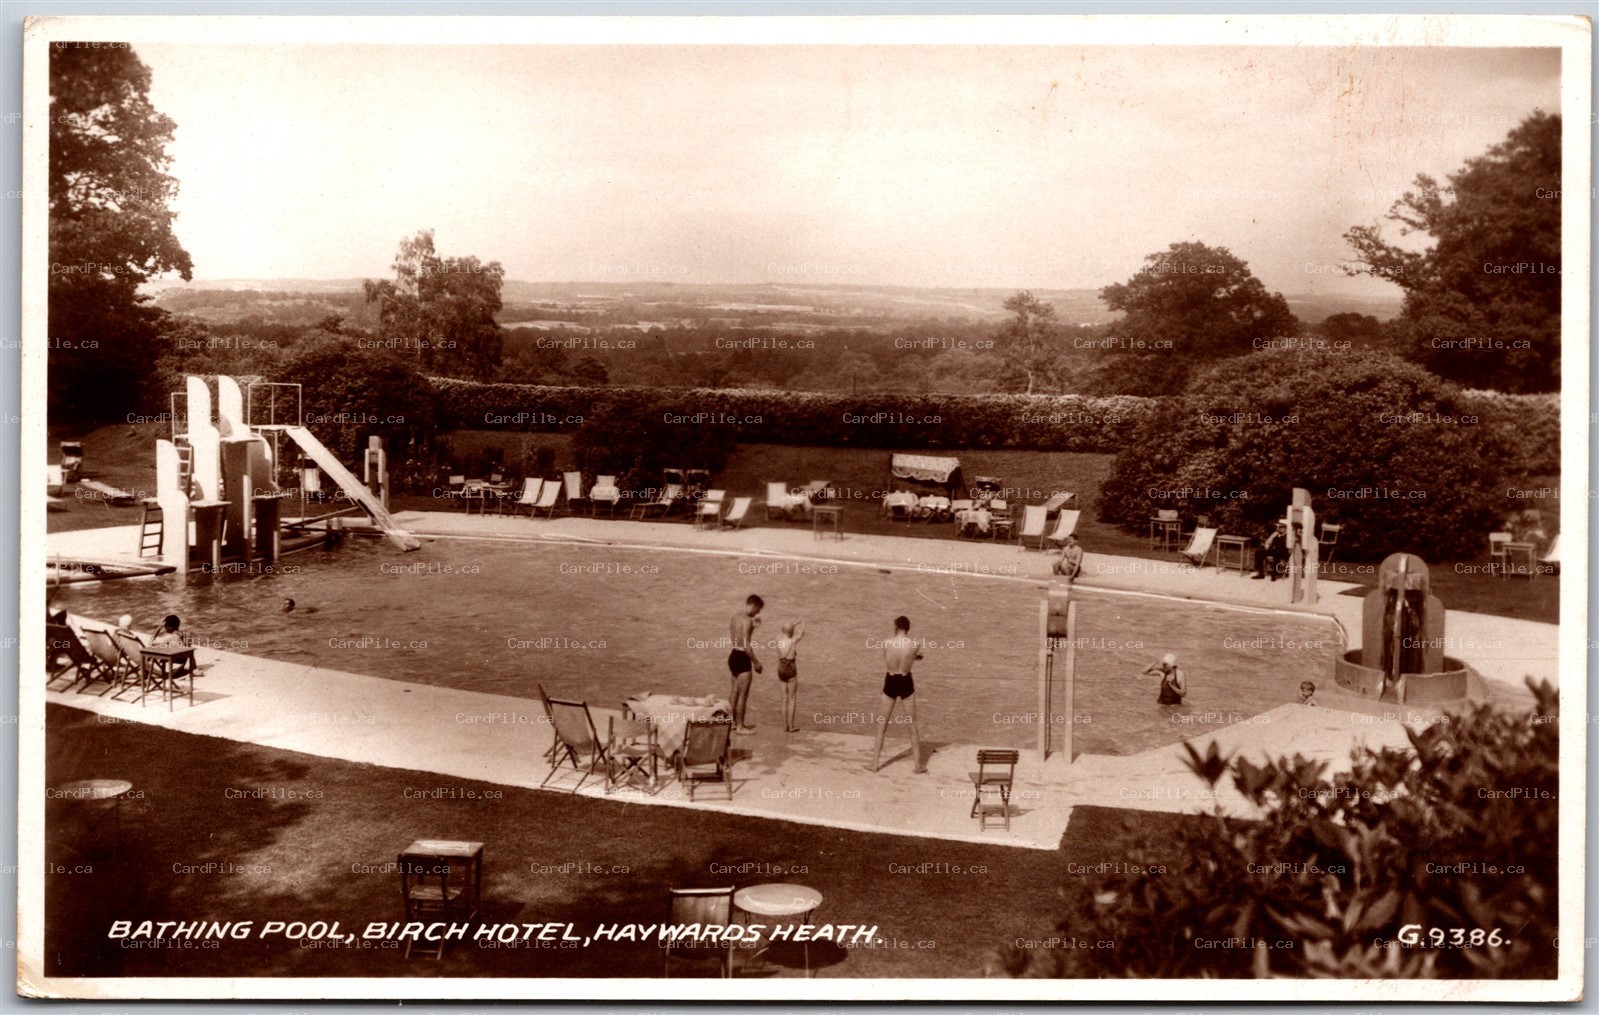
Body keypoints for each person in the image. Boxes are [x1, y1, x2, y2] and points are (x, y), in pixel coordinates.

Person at [869, 615, 926, 774]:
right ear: (908, 628)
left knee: (882, 726)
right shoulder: (915, 644)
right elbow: (911, 656)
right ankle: (917, 765)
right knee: (912, 725)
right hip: (906, 680)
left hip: (891, 680)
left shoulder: (887, 643)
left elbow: (888, 659)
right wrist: (916, 657)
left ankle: (874, 764)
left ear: (896, 627)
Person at [728, 594, 764, 734]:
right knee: (743, 695)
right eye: (758, 609)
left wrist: (753, 627)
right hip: (743, 656)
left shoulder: (735, 617)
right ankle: (741, 727)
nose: (758, 613)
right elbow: (747, 645)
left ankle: (730, 723)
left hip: (733, 655)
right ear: (754, 605)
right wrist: (756, 662)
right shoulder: (748, 621)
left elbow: (737, 637)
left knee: (734, 692)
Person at [775, 618, 806, 733]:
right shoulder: (793, 640)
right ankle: (791, 725)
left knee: (784, 698)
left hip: (781, 667)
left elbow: (786, 629)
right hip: (791, 668)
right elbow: (802, 631)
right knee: (792, 698)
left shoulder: (778, 638)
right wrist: (801, 621)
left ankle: (784, 725)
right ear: (792, 631)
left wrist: (792, 624)